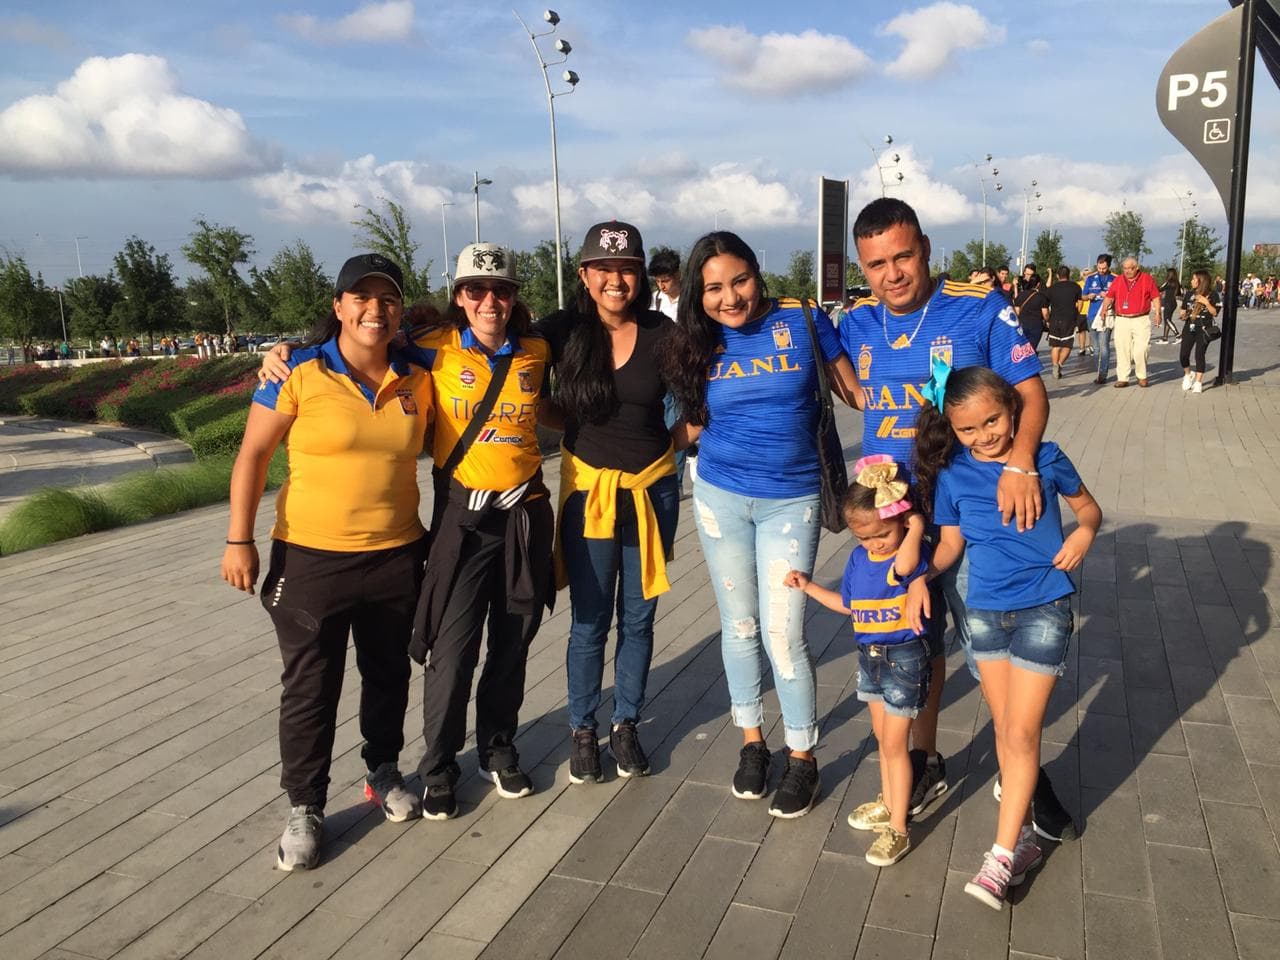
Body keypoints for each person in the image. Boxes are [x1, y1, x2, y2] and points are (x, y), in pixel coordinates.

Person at [258, 244, 558, 821]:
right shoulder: (426, 349)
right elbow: (356, 338)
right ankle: (440, 766)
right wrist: (287, 351)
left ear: (516, 296)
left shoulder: (539, 347)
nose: (489, 301)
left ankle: (498, 747)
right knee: (451, 647)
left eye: (502, 290)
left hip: (524, 513)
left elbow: (566, 385)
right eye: (475, 290)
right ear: (458, 297)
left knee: (513, 642)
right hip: (460, 519)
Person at [838, 198, 1070, 840]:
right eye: (876, 263)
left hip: (967, 513)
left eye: (903, 256)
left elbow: (1029, 392)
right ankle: (926, 758)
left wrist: (1022, 462)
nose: (892, 274)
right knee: (917, 640)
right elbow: (825, 362)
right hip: (892, 522)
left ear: (927, 248)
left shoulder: (977, 304)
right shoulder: (856, 320)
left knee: (984, 648)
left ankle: (1024, 770)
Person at [222, 254, 431, 871]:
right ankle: (306, 805)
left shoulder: (419, 369)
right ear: (337, 307)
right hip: (311, 558)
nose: (375, 309)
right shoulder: (296, 371)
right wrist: (240, 539)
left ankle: (383, 771)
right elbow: (253, 455)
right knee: (311, 685)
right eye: (360, 298)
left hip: (397, 552)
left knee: (389, 672)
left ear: (399, 310)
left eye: (387, 299)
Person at [660, 230, 862, 819]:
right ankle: (753, 743)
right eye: (714, 287)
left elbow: (854, 392)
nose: (731, 298)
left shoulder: (801, 320)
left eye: (740, 280)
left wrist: (928, 393)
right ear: (698, 293)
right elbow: (691, 428)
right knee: (740, 627)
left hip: (791, 501)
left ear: (759, 273)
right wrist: (620, 453)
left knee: (784, 634)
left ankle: (803, 756)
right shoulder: (695, 343)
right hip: (719, 497)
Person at [912, 365, 1101, 910]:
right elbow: (950, 548)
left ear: (1014, 411)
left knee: (1019, 734)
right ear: (952, 428)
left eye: (992, 420)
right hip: (986, 615)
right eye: (968, 429)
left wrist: (1084, 534)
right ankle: (1024, 840)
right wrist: (916, 579)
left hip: (1045, 607)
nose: (984, 435)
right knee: (1006, 730)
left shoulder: (1046, 457)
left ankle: (1001, 855)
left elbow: (1090, 511)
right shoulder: (952, 477)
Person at [538, 220, 685, 785]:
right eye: (604, 269)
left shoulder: (663, 335)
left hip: (652, 491)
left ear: (641, 274)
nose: (616, 280)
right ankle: (582, 729)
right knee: (590, 621)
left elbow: (695, 407)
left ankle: (625, 725)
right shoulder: (564, 330)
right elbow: (499, 345)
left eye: (626, 269)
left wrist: (662, 458)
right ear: (584, 274)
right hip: (589, 495)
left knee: (640, 619)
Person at [785, 456, 929, 865]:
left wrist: (915, 526)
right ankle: (888, 802)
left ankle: (899, 829)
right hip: (869, 657)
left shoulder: (909, 554)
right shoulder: (857, 561)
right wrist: (809, 587)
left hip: (903, 658)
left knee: (897, 745)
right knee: (884, 740)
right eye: (863, 538)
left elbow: (903, 565)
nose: (874, 545)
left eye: (882, 533)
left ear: (901, 520)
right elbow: (849, 607)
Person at [648, 246, 691, 493]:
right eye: (658, 281)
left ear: (677, 275)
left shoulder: (690, 300)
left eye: (666, 280)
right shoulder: (654, 300)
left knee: (681, 424)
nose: (662, 285)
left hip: (686, 371)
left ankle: (674, 483)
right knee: (665, 423)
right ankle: (666, 477)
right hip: (662, 371)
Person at [1099, 257, 1161, 388]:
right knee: (1122, 349)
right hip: (1122, 318)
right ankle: (1123, 378)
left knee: (1141, 349)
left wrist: (1157, 313)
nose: (1127, 271)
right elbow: (1109, 296)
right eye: (1125, 268)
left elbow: (1155, 296)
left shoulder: (1146, 279)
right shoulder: (1118, 280)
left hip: (1141, 318)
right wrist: (1104, 309)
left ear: (1137, 267)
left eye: (1130, 268)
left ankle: (1142, 376)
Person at [1179, 268, 1219, 394]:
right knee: (1183, 354)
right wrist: (1183, 315)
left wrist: (1206, 302)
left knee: (1199, 355)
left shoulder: (1212, 295)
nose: (1191, 281)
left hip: (1204, 328)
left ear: (1200, 281)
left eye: (1194, 279)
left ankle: (1198, 382)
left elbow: (1215, 313)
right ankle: (1187, 374)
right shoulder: (1189, 294)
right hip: (1189, 326)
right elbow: (1183, 310)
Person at [1082, 254, 1116, 384]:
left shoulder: (1114, 279)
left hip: (1106, 316)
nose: (1101, 270)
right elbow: (1083, 296)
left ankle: (1103, 374)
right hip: (1092, 315)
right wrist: (1089, 296)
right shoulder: (1091, 279)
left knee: (1104, 346)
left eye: (1104, 268)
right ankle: (1098, 371)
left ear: (1108, 266)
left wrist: (1110, 297)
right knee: (1095, 348)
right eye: (1099, 267)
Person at [1044, 266, 1082, 379]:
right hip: (1069, 319)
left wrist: (1047, 319)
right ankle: (1060, 364)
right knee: (1067, 345)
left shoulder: (1052, 288)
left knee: (1055, 345)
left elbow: (1046, 304)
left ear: (1057, 276)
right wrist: (1076, 313)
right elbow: (1080, 303)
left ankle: (1054, 365)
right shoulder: (1075, 287)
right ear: (1069, 275)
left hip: (1054, 319)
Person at [1013, 272, 1048, 351]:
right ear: (1038, 284)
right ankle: (1031, 360)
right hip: (1036, 326)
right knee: (1031, 348)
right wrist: (1048, 321)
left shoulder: (1020, 295)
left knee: (1022, 346)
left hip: (1022, 325)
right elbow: (1045, 314)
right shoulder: (1041, 297)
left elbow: (1017, 312)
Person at [1157, 268, 1182, 344]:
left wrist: (1153, 285)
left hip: (1168, 303)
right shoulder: (1177, 283)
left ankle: (1178, 335)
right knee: (1167, 320)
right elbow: (1179, 293)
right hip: (1173, 303)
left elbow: (1160, 289)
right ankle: (1165, 338)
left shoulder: (1168, 282)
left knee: (1167, 320)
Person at [1075, 267, 1092, 357]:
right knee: (1081, 331)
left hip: (1092, 311)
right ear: (1082, 276)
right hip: (1081, 312)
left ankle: (1091, 346)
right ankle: (1082, 348)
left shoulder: (1094, 284)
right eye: (1085, 275)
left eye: (1089, 274)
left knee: (1092, 331)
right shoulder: (1078, 285)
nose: (1087, 276)